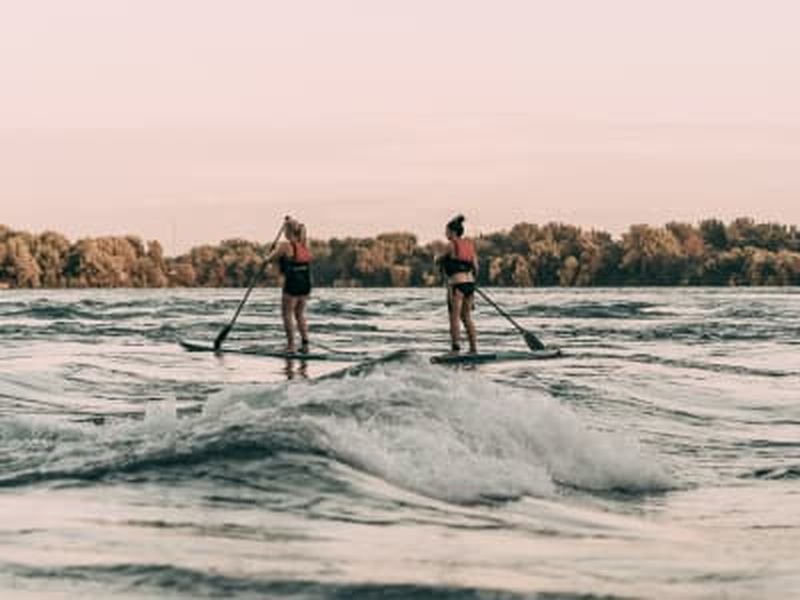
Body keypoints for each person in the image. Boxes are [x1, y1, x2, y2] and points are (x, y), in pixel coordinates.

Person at [268, 217, 312, 353]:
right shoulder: (305, 245)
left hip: (293, 284)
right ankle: (305, 344)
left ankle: (291, 346)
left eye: (285, 230)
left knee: (286, 313)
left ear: (288, 231)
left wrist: (269, 253)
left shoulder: (285, 246)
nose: (283, 234)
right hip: (306, 284)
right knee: (299, 314)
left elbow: (271, 259)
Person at [438, 214, 478, 354]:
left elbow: (440, 259)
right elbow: (476, 267)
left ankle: (455, 349)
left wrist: (439, 259)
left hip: (457, 285)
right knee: (466, 317)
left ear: (453, 232)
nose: (445, 233)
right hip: (470, 285)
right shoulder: (469, 245)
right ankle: (474, 349)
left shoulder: (451, 245)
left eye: (447, 231)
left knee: (454, 317)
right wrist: (472, 282)